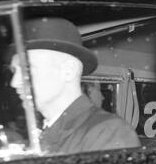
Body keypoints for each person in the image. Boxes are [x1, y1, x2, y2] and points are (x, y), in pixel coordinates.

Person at [10, 17, 140, 154]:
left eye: (27, 69)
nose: (14, 82)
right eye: (13, 71)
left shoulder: (107, 132)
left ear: (68, 71)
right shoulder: (39, 134)